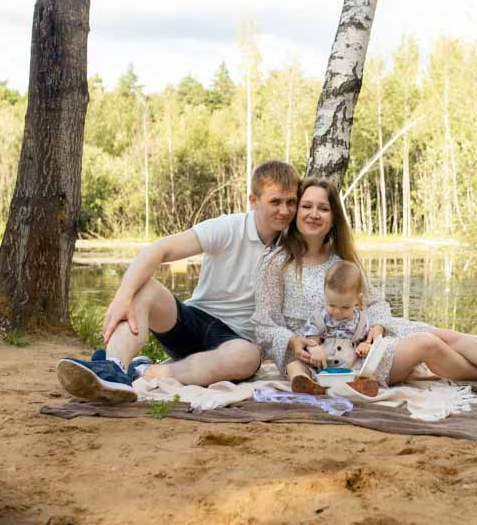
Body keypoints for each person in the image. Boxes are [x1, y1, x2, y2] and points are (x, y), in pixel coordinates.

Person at [252, 177, 477, 394]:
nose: (314, 214)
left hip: (369, 340)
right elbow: (264, 325)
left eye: (323, 208)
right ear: (297, 215)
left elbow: (374, 304)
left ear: (333, 219)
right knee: (427, 344)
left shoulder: (343, 260)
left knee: (444, 334)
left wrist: (376, 327)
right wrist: (293, 341)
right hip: (327, 355)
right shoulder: (277, 263)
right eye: (307, 206)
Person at [56, 160, 300, 404]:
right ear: (253, 201)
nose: (285, 210)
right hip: (192, 322)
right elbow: (159, 250)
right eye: (275, 201)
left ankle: (143, 371)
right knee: (146, 288)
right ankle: (113, 368)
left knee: (247, 357)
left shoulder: (294, 245)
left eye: (291, 202)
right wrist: (123, 297)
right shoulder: (228, 227)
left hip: (234, 341)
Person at [286, 260, 382, 397]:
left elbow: (367, 340)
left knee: (369, 371)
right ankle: (305, 382)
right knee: (293, 365)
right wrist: (315, 350)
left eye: (345, 307)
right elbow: (311, 340)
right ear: (325, 295)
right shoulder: (319, 317)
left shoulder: (361, 321)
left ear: (358, 300)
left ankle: (361, 386)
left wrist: (365, 346)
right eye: (331, 305)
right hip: (321, 368)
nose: (337, 311)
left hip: (350, 368)